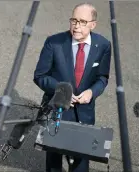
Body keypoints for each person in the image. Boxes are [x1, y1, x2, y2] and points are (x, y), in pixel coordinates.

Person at [33, 2, 112, 172]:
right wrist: (62, 90)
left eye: (82, 22)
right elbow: (40, 76)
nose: (76, 26)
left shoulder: (103, 45)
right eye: (74, 20)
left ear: (93, 24)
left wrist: (92, 92)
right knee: (54, 163)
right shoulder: (54, 43)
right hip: (57, 111)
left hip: (84, 114)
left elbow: (102, 78)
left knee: (81, 165)